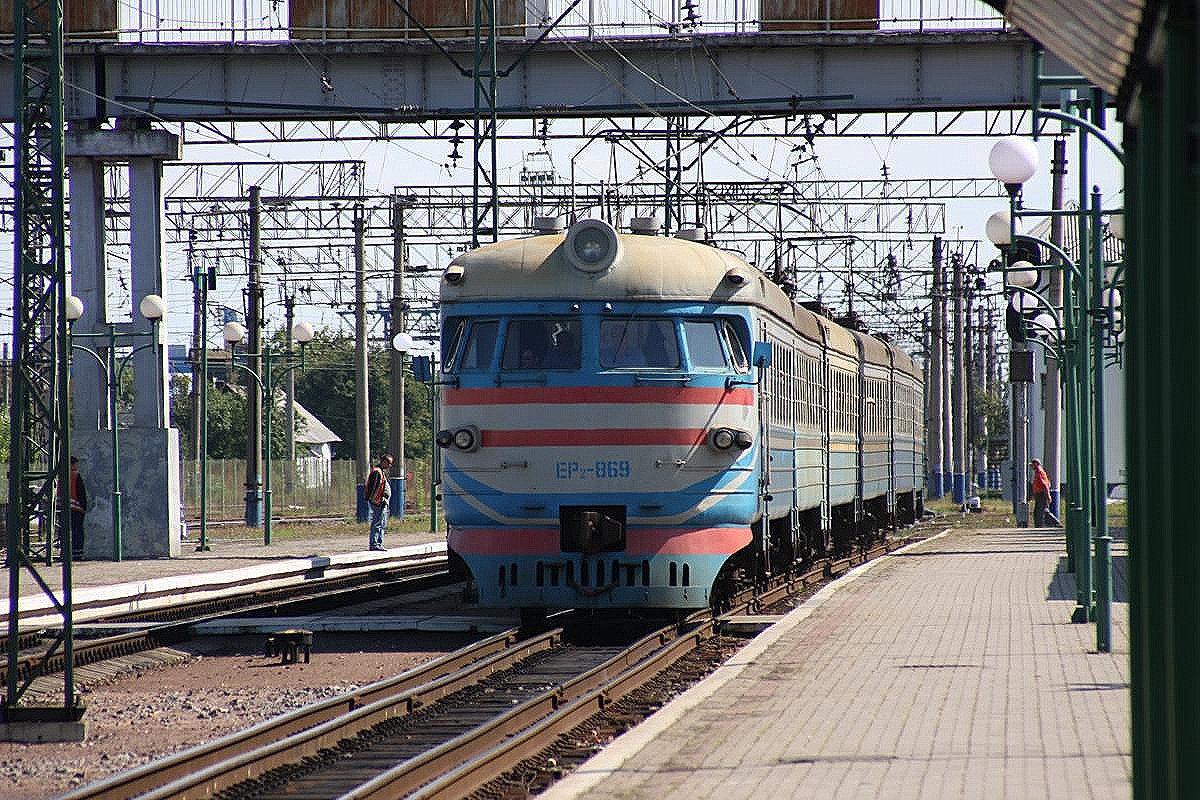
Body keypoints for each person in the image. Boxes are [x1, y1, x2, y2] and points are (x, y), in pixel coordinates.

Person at [365, 454, 394, 551]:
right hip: (378, 502)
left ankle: (379, 543)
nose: (390, 466)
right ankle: (374, 544)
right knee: (377, 523)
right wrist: (376, 500)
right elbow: (372, 487)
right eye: (389, 463)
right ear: (384, 462)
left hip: (381, 502)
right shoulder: (377, 472)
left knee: (382, 523)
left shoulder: (381, 471)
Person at [69, 456, 87, 559]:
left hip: (63, 509)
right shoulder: (76, 476)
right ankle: (77, 553)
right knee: (77, 532)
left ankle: (66, 552)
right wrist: (84, 507)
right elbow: (81, 493)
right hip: (76, 508)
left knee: (65, 532)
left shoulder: (61, 476)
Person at [1030, 458, 1051, 527]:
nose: (1031, 467)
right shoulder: (1037, 472)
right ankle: (1039, 525)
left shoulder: (1040, 472)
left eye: (1032, 465)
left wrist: (1048, 495)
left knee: (1039, 512)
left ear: (1036, 464)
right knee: (1038, 511)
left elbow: (1045, 485)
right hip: (1039, 495)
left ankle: (1040, 526)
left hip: (1042, 495)